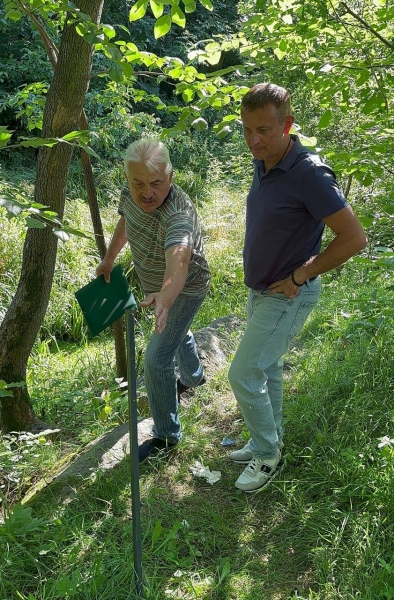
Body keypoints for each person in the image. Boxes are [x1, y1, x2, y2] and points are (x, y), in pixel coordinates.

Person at [228, 83, 367, 493]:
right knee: (266, 368)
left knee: (243, 373)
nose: (254, 140)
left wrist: (300, 275)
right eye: (247, 129)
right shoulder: (267, 161)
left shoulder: (309, 173)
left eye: (264, 130)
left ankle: (268, 455)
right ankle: (263, 438)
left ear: (287, 125)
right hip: (262, 291)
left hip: (288, 294)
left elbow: (354, 238)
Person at [96, 138, 210, 461]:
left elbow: (180, 258)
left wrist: (167, 294)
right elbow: (126, 221)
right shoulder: (130, 196)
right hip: (157, 287)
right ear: (128, 180)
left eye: (156, 183)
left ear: (170, 178)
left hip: (185, 288)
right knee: (177, 330)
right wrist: (108, 259)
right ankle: (194, 377)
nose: (147, 192)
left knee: (157, 359)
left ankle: (167, 437)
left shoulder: (178, 213)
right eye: (139, 184)